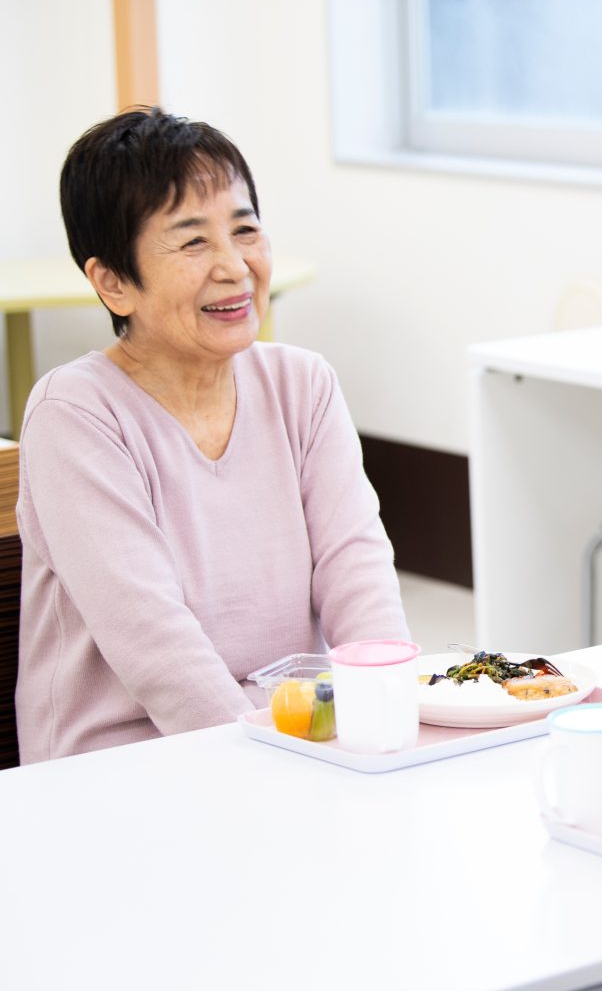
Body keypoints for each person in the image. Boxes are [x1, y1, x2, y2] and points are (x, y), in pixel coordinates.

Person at [16, 109, 409, 762]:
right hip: (122, 766)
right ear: (113, 282)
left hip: (296, 740)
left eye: (245, 230)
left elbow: (358, 573)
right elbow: (155, 646)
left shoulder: (302, 384)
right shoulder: (75, 413)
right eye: (193, 242)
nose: (234, 266)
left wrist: (390, 717)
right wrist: (274, 765)